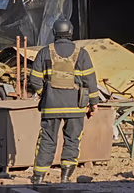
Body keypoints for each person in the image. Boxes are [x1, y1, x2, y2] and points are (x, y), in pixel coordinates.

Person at [29, 19, 99, 184]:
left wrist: (44, 94)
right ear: (71, 32)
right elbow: (90, 81)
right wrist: (93, 102)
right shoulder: (82, 53)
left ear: (54, 32)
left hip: (51, 106)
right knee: (73, 140)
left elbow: (35, 79)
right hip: (76, 107)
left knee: (47, 140)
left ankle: (38, 177)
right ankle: (65, 177)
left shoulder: (44, 52)